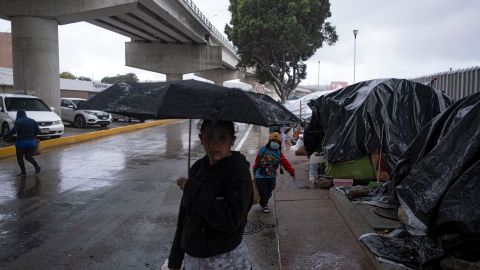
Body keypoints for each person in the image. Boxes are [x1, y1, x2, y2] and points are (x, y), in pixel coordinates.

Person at [168, 120, 253, 270]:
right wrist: (175, 258)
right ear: (201, 139)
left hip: (227, 262)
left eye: (222, 138)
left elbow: (231, 221)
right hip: (194, 261)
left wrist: (195, 191)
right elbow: (185, 217)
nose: (215, 144)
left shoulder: (238, 173)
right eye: (209, 137)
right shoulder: (196, 169)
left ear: (232, 140)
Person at [253, 132, 295, 213]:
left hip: (272, 177)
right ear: (269, 141)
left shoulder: (279, 154)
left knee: (270, 190)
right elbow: (257, 161)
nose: (275, 143)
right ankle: (264, 205)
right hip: (260, 176)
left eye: (277, 142)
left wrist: (292, 172)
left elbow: (285, 163)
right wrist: (254, 170)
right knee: (263, 191)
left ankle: (264, 201)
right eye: (273, 141)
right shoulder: (263, 150)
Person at [2, 110, 41, 176]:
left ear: (18, 115)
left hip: (21, 143)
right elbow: (38, 131)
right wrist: (33, 137)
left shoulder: (18, 121)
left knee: (20, 158)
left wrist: (5, 136)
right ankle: (37, 166)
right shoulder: (32, 121)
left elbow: (13, 131)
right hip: (32, 143)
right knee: (28, 156)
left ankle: (23, 172)